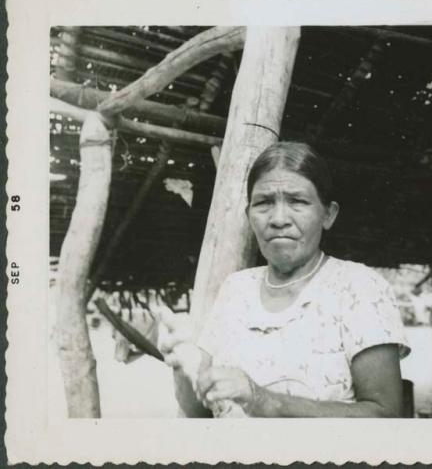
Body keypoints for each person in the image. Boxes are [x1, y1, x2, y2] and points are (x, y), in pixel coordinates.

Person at [159, 141, 410, 418]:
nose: (279, 219)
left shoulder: (359, 288)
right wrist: (184, 367)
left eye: (298, 201)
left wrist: (263, 401)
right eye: (264, 203)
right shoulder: (236, 289)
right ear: (248, 215)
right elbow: (197, 412)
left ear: (328, 214)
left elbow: (384, 417)